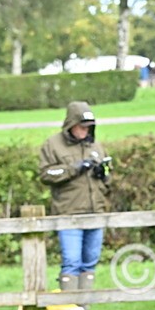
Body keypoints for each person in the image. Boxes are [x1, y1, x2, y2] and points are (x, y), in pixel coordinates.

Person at [38, 102, 110, 292]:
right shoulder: (53, 145)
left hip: (95, 211)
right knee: (71, 261)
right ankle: (69, 309)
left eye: (89, 127)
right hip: (68, 212)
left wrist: (103, 174)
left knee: (90, 263)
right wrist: (74, 168)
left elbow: (109, 177)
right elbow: (46, 174)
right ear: (71, 125)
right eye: (81, 126)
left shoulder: (96, 146)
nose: (85, 131)